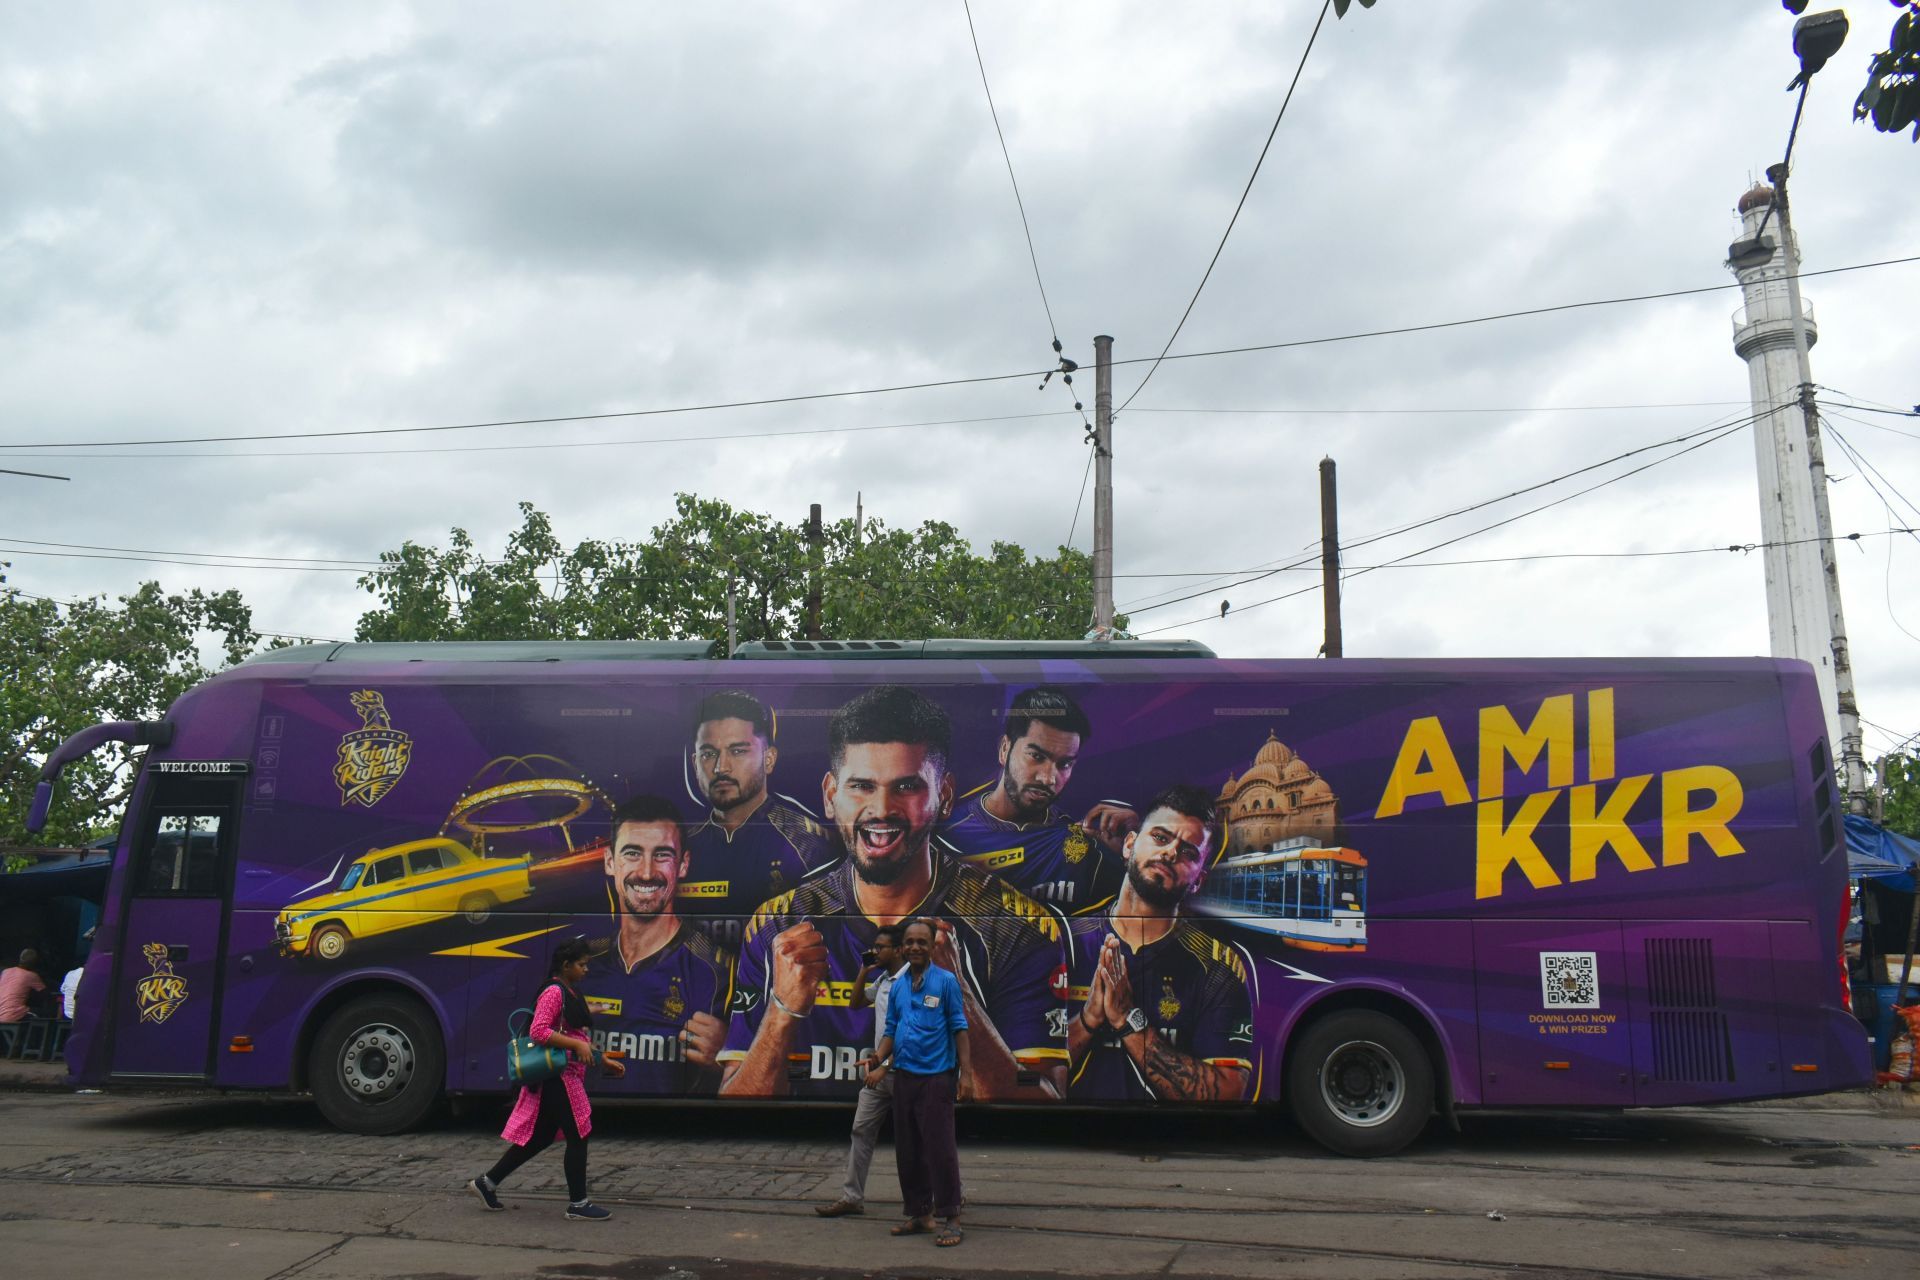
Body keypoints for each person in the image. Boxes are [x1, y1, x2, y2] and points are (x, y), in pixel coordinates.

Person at [718, 685, 1069, 1101]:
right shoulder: (778, 926)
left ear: (945, 796)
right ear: (831, 796)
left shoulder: (1015, 927)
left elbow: (1045, 1103)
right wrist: (782, 1012)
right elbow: (736, 1104)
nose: (882, 809)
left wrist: (961, 1003)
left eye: (907, 787)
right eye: (862, 786)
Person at [1067, 785, 1255, 1102]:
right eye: (1160, 837)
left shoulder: (1218, 968)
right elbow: (1017, 1072)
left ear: (1199, 881)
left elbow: (1228, 1091)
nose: (1169, 853)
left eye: (1188, 853)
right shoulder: (1062, 942)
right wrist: (1087, 1020)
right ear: (1129, 844)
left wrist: (1129, 1021)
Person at [579, 794, 732, 1094]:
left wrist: (729, 1057)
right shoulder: (578, 961)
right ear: (610, 862)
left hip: (679, 1135)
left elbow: (755, 1070)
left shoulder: (718, 970)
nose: (647, 872)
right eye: (632, 853)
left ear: (683, 864)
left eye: (662, 855)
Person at [941, 686, 1138, 913]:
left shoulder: (1084, 844)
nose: (1048, 778)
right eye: (1036, 756)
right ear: (1005, 749)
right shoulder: (945, 833)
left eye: (1064, 764)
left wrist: (1131, 859)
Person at [469, 938, 625, 1220]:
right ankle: (578, 1204)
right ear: (566, 966)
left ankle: (486, 1182)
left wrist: (602, 1060)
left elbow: (578, 1037)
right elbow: (539, 1031)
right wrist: (577, 1047)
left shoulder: (568, 991)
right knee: (579, 1133)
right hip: (558, 1075)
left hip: (564, 1072)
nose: (586, 970)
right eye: (581, 965)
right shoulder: (554, 992)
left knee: (541, 1137)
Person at [684, 690, 835, 950]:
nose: (721, 767)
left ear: (769, 759)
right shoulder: (677, 847)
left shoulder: (810, 846)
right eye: (709, 754)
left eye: (738, 751)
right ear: (695, 763)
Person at [873, 918, 971, 1247]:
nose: (915, 947)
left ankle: (952, 1218)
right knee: (909, 1150)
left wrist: (966, 1074)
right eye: (910, 942)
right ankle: (919, 1214)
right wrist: (877, 1059)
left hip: (936, 1078)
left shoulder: (945, 982)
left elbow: (959, 1027)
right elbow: (890, 1030)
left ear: (932, 947)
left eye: (922, 942)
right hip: (904, 1076)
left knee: (940, 1149)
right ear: (902, 948)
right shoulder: (899, 986)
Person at [815, 924, 905, 1217]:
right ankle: (852, 1198)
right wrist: (865, 971)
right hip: (878, 1072)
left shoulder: (910, 982)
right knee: (861, 1130)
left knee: (922, 1135)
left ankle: (952, 1194)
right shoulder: (883, 981)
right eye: (875, 947)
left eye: (881, 947)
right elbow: (855, 1003)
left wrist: (887, 1065)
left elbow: (912, 1032)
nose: (875, 951)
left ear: (898, 950)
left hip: (905, 1072)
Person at [0, 949, 46, 1025]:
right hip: (11, 1014)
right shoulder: (31, 975)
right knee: (43, 1015)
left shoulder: (5, 972)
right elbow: (46, 994)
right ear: (34, 963)